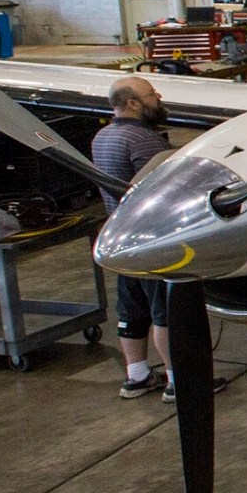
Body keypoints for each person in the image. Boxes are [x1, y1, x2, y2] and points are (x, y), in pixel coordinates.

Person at [93, 77, 173, 400]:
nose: (158, 97)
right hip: (152, 241)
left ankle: (136, 375)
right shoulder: (145, 142)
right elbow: (162, 193)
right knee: (166, 312)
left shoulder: (102, 137)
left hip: (121, 237)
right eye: (151, 94)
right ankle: (178, 381)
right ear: (133, 104)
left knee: (131, 310)